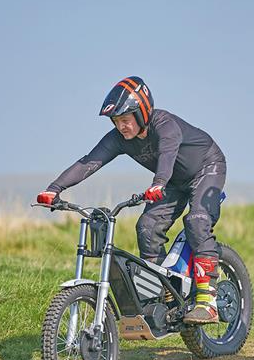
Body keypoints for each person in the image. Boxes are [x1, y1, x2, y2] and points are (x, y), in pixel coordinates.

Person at [37, 76, 226, 324]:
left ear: (142, 113)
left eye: (125, 120)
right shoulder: (118, 139)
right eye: (116, 122)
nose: (121, 127)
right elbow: (89, 162)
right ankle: (167, 296)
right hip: (171, 181)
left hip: (206, 167)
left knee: (197, 221)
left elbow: (167, 155)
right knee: (147, 227)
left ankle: (207, 302)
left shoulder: (165, 125)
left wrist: (158, 183)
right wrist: (54, 189)